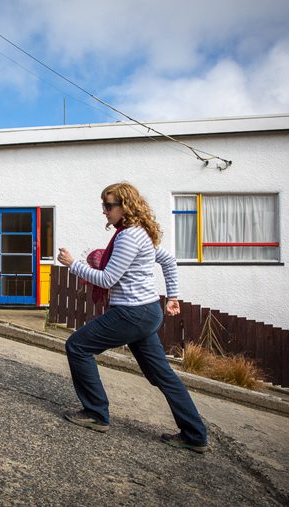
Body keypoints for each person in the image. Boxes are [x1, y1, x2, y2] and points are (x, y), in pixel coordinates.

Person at [56, 181, 208, 453]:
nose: (104, 211)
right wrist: (172, 296)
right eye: (103, 205)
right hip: (146, 311)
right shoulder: (140, 233)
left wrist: (73, 264)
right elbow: (168, 260)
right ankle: (195, 435)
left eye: (108, 205)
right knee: (162, 375)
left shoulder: (128, 236)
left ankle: (95, 413)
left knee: (77, 346)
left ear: (124, 206)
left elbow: (108, 279)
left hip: (132, 313)